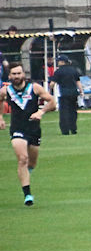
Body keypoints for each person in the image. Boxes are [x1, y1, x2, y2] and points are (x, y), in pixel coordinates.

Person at [0, 63, 56, 206]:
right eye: (14, 74)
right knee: (22, 159)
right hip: (17, 129)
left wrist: (41, 112)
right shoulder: (6, 90)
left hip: (34, 129)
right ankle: (27, 194)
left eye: (19, 73)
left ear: (23, 74)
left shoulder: (34, 88)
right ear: (9, 76)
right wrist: (1, 117)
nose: (17, 76)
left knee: (31, 163)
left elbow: (52, 102)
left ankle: (25, 173)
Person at [49, 55, 83, 135]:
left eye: (59, 61)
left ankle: (65, 130)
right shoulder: (73, 70)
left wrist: (50, 91)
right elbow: (78, 82)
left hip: (64, 94)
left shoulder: (58, 71)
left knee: (64, 112)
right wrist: (81, 91)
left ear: (62, 62)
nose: (58, 62)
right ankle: (73, 128)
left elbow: (52, 83)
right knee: (73, 112)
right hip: (74, 94)